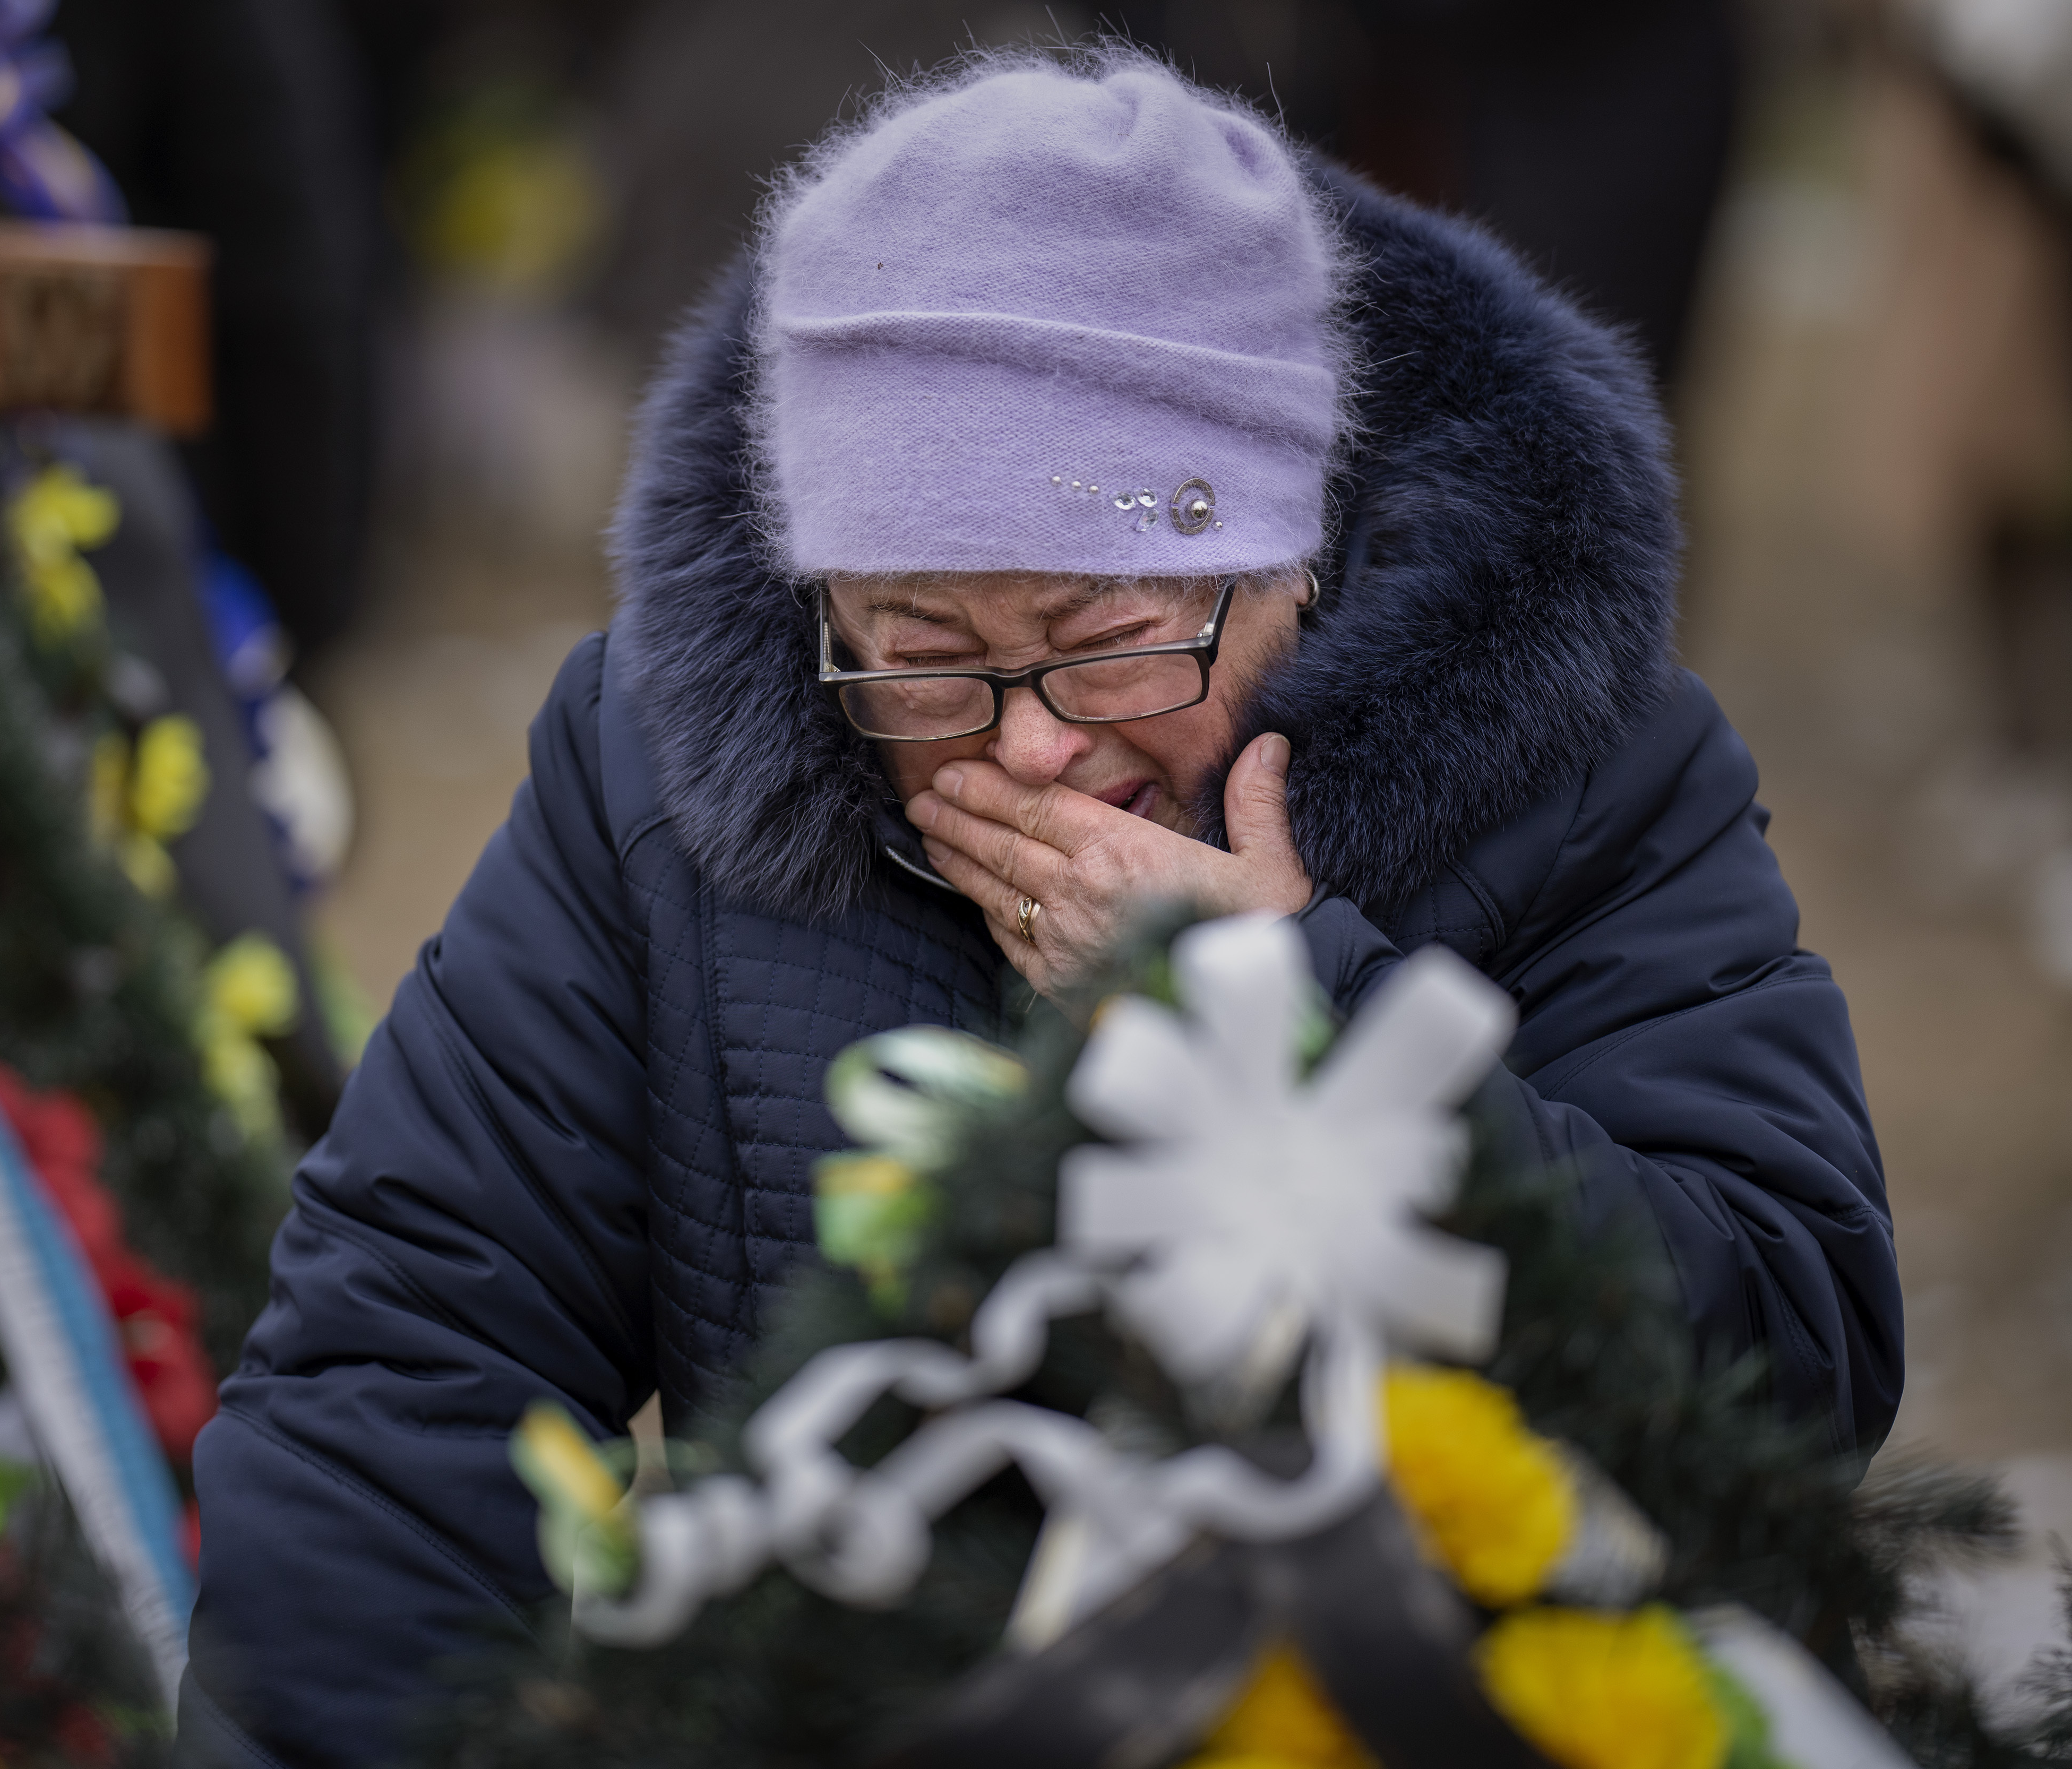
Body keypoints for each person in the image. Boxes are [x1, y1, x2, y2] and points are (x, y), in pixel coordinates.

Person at [179, 50, 1902, 1766]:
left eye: (1107, 642)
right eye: (925, 658)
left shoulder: (1576, 755)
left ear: (1292, 561)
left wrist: (1303, 1025)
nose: (1036, 744)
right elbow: (404, 1369)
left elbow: (1786, 1364)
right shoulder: (662, 771)